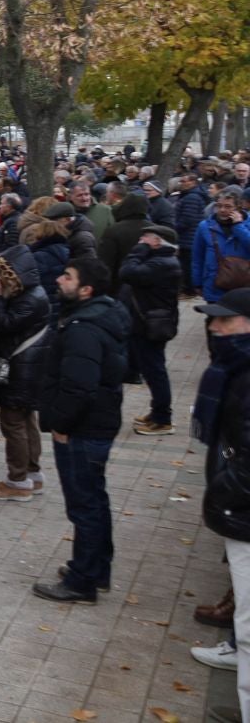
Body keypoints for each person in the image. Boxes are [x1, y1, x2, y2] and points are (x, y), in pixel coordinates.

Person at [32, 258, 130, 603]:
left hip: (84, 430)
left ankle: (82, 581)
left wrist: (60, 424)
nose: (59, 279)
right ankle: (95, 569)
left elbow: (79, 386)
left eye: (68, 277)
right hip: (96, 423)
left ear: (86, 289)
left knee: (84, 504)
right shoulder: (100, 315)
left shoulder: (83, 328)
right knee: (94, 501)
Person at [190, 287, 250, 695]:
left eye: (224, 320)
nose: (214, 327)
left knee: (249, 621)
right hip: (237, 506)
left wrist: (223, 496)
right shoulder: (234, 369)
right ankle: (234, 644)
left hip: (243, 511)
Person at [0, 245, 51, 501]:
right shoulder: (33, 294)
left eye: (0, 275)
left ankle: (18, 481)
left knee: (13, 424)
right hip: (27, 369)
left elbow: (5, 324)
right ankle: (32, 474)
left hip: (21, 370)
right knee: (26, 420)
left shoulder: (30, 299)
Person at [121, 225, 183, 435]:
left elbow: (127, 272)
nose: (140, 241)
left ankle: (163, 418)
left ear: (157, 242)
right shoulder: (160, 260)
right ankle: (157, 410)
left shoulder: (161, 263)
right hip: (146, 322)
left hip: (151, 325)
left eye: (145, 238)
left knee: (155, 371)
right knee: (152, 369)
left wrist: (136, 253)